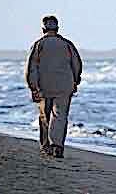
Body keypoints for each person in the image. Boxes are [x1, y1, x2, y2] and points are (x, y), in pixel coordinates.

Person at [24, 15, 82, 158]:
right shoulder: (67, 44)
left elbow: (31, 68)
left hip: (44, 86)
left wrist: (33, 87)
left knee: (45, 116)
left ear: (43, 28)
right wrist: (75, 81)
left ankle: (46, 146)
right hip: (64, 86)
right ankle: (57, 145)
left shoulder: (38, 45)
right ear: (57, 28)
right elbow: (77, 65)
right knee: (60, 116)